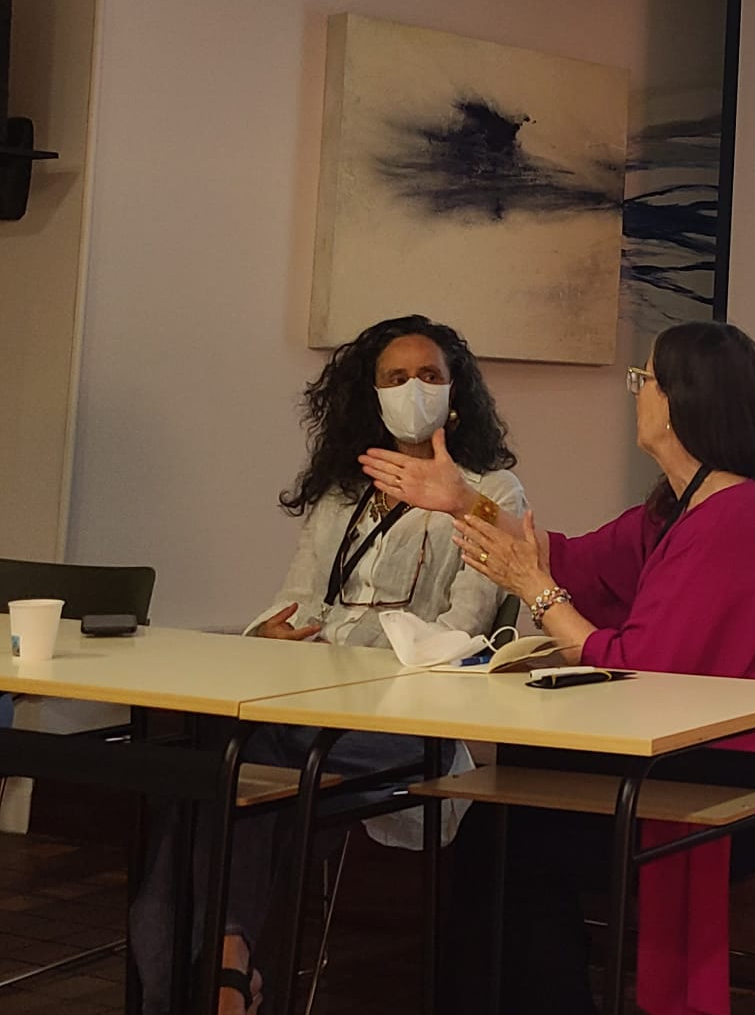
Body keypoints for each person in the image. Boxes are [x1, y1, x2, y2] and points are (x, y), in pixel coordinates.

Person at [367, 320, 755, 1015]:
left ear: (681, 401)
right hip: (700, 755)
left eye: (644, 379)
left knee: (511, 843)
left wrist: (537, 595)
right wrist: (465, 499)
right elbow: (567, 560)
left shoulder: (731, 520)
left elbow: (639, 672)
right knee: (503, 825)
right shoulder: (674, 508)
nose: (635, 392)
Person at [132, 314, 524, 1015]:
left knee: (229, 761)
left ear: (455, 393)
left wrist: (348, 651)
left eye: (429, 375)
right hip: (306, 715)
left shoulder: (489, 492)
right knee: (226, 769)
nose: (414, 389)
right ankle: (226, 970)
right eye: (396, 378)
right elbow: (294, 600)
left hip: (408, 724)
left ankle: (196, 982)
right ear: (371, 396)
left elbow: (463, 629)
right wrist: (273, 634)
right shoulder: (344, 494)